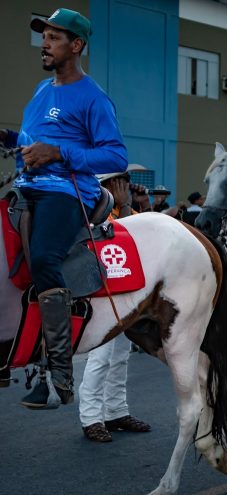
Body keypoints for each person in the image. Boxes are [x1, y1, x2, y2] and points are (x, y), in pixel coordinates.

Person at [0, 8, 128, 408]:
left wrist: (57, 152)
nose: (45, 43)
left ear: (76, 46)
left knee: (43, 259)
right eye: (44, 36)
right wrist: (9, 137)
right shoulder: (41, 91)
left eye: (54, 37)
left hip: (69, 192)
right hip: (27, 186)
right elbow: (31, 139)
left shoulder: (94, 98)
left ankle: (58, 375)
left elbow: (115, 157)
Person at [77, 167, 151, 442]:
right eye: (119, 183)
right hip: (99, 291)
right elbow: (113, 236)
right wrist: (124, 206)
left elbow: (139, 239)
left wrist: (134, 205)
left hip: (123, 291)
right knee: (100, 357)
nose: (124, 187)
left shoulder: (123, 208)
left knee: (120, 355)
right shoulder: (91, 209)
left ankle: (116, 411)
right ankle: (91, 418)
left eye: (126, 183)